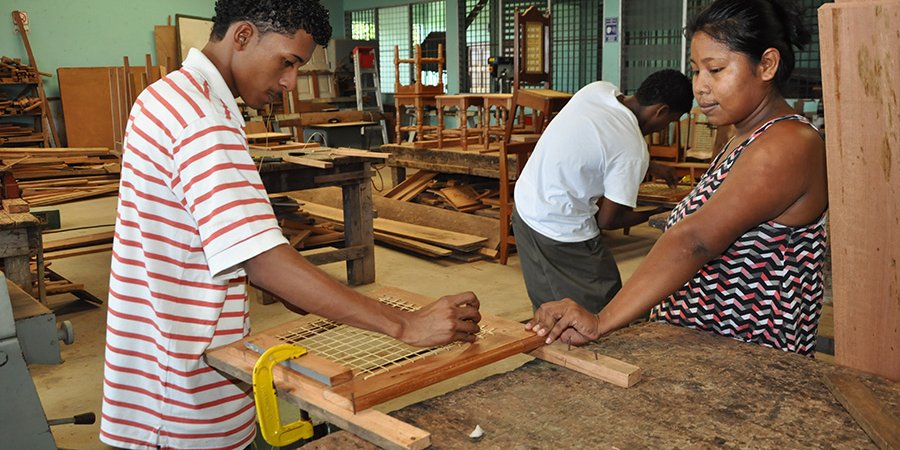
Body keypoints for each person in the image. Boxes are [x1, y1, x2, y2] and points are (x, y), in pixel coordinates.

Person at [100, 1, 481, 448]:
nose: (289, 82)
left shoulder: (167, 94)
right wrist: (405, 326)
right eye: (287, 62)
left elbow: (200, 239)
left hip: (153, 368)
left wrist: (297, 287)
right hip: (183, 392)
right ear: (242, 37)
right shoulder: (203, 121)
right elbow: (262, 260)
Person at [526, 0, 828, 356]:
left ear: (766, 65)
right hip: (705, 342)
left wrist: (601, 320)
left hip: (746, 353)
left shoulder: (787, 144)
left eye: (715, 70)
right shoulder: (743, 137)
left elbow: (696, 240)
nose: (700, 87)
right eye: (696, 71)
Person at [512, 69, 693, 314]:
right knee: (604, 304)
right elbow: (608, 220)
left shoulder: (597, 90)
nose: (665, 126)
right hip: (560, 228)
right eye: (670, 120)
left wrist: (650, 165)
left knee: (548, 297)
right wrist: (658, 212)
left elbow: (597, 143)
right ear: (660, 111)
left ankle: (551, 348)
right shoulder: (632, 147)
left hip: (525, 204)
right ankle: (565, 348)